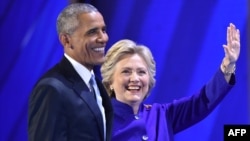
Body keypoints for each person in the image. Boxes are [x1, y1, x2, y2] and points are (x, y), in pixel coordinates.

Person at [100, 23, 240, 141]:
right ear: (110, 81)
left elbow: (203, 101)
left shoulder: (162, 114)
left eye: (141, 72)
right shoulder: (99, 122)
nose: (135, 79)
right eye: (126, 71)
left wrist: (228, 64)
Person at [28, 3, 113, 141]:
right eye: (92, 32)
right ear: (66, 40)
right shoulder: (52, 89)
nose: (103, 38)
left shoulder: (96, 84)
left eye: (103, 30)